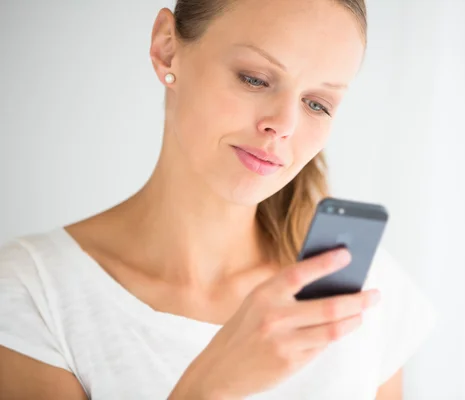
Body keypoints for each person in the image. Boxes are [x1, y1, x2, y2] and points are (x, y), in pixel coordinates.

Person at [0, 0, 436, 398]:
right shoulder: (34, 294)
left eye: (317, 103)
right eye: (255, 79)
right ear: (167, 49)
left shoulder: (364, 295)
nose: (282, 124)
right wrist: (210, 386)